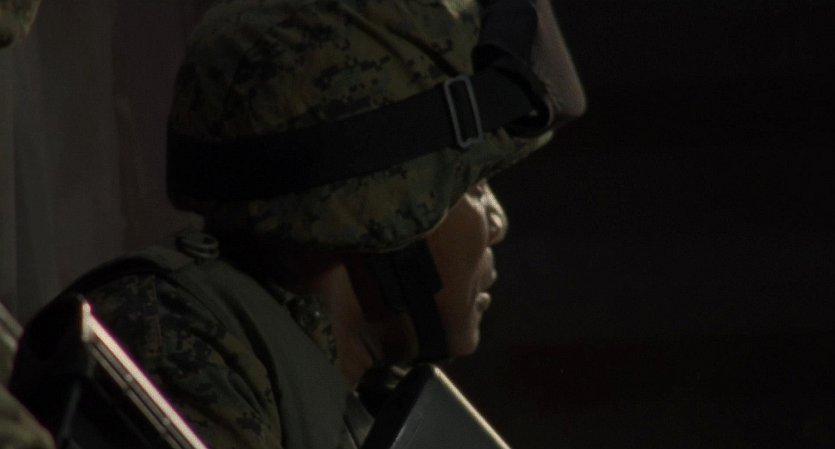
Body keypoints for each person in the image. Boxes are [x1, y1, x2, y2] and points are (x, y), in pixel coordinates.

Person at [51, 1, 584, 448]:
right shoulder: (172, 343)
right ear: (377, 205)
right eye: (474, 184)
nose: (498, 222)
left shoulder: (364, 395)